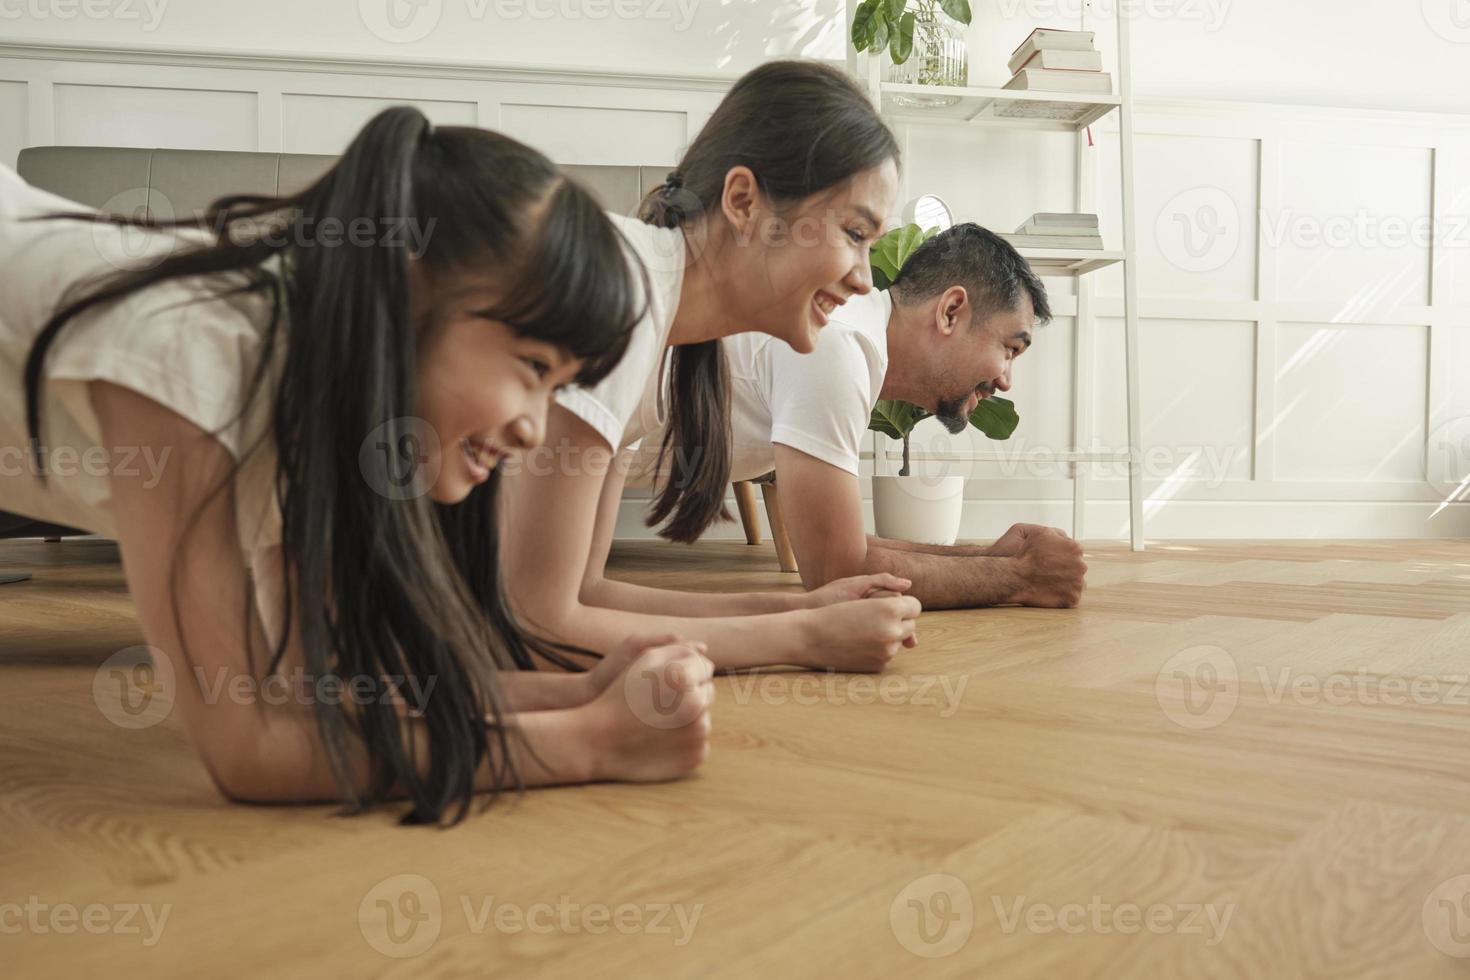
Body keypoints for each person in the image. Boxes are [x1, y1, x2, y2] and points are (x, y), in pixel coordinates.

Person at [0, 107, 715, 826]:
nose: (534, 430)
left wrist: (588, 691)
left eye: (557, 385)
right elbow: (246, 746)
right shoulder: (194, 354)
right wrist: (594, 742)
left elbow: (319, 688)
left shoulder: (313, 394)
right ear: (407, 287)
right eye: (531, 366)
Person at [500, 59, 924, 675]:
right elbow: (540, 624)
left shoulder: (651, 323)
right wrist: (806, 639)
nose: (863, 279)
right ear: (744, 201)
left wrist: (804, 610)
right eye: (854, 233)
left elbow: (584, 594)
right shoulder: (623, 291)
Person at [636, 222, 1089, 611]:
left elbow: (838, 544)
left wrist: (992, 558)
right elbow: (835, 570)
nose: (1006, 380)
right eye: (1009, 349)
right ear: (951, 311)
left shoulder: (851, 337)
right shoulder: (839, 342)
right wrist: (1022, 579)